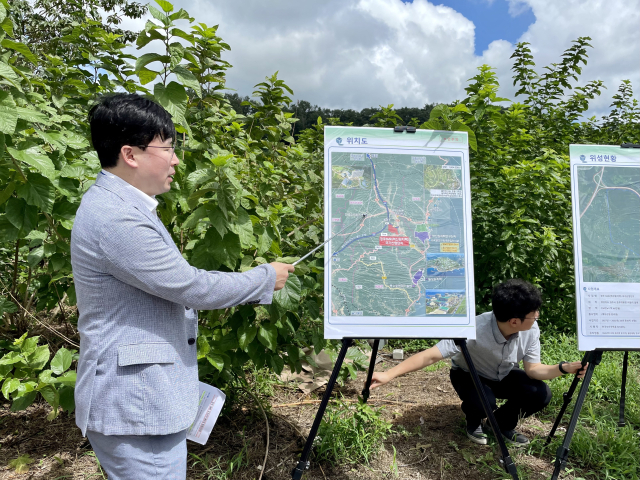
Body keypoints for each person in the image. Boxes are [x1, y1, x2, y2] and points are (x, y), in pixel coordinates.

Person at [70, 93, 295, 479]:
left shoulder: (121, 205)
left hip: (141, 400)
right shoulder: (117, 219)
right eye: (167, 148)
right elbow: (191, 287)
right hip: (137, 408)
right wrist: (263, 278)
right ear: (131, 154)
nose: (176, 160)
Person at [371, 279, 588, 447]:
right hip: (468, 374)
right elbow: (432, 355)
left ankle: (500, 424)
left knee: (540, 393)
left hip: (503, 374)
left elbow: (533, 370)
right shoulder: (474, 328)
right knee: (484, 400)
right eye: (534, 315)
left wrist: (564, 368)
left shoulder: (530, 329)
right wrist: (388, 374)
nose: (537, 317)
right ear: (514, 321)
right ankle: (473, 421)